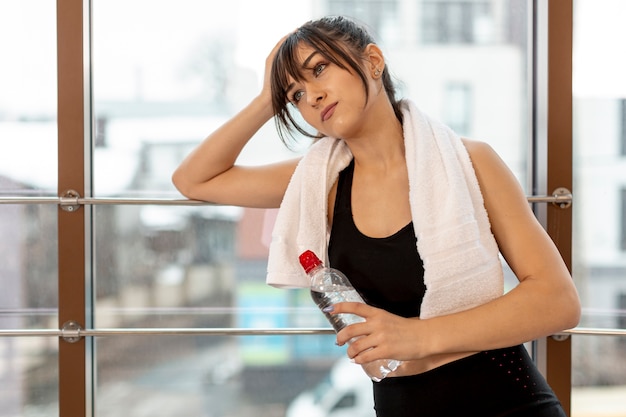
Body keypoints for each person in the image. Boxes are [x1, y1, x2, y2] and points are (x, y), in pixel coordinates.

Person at [172, 15, 581, 417]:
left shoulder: (471, 162)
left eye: (319, 69)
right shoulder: (320, 184)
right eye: (295, 95)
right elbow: (195, 180)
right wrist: (268, 97)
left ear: (372, 61)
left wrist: (415, 337)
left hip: (506, 399)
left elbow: (558, 301)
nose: (311, 97)